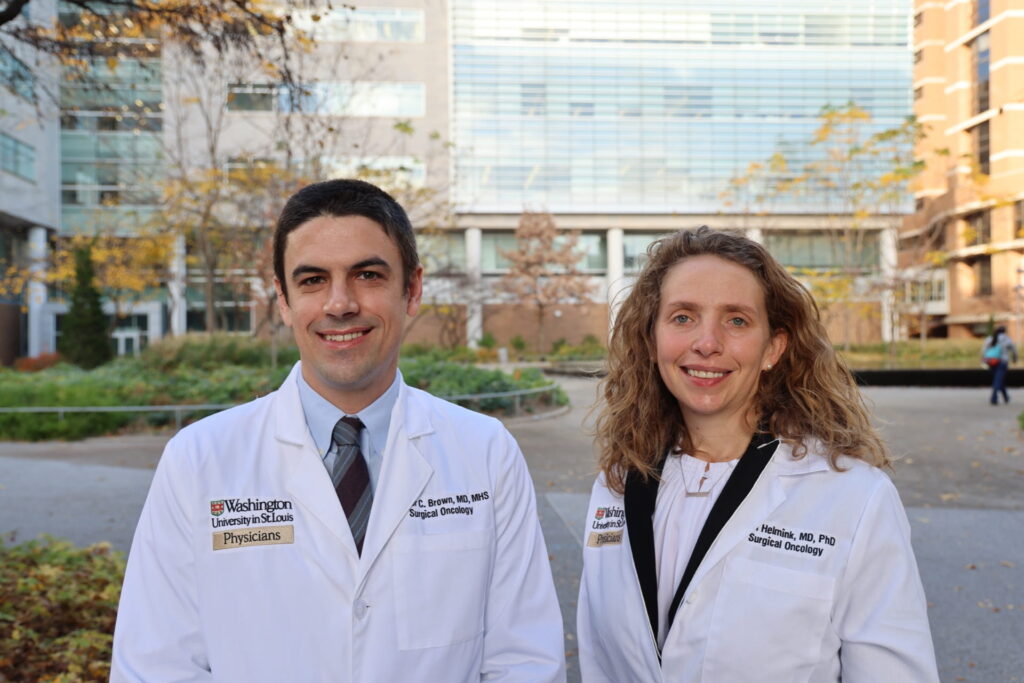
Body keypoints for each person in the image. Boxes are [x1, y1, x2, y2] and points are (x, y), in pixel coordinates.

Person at [112, 179, 565, 682]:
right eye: (312, 281)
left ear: (411, 290)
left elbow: (523, 658)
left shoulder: (485, 452)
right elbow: (156, 667)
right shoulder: (198, 460)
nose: (339, 303)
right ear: (282, 300)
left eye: (367, 275)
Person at [577, 227, 938, 682]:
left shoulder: (854, 499)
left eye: (736, 320)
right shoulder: (616, 485)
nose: (706, 343)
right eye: (683, 317)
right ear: (652, 339)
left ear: (773, 348)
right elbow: (599, 661)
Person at [982, 325, 1017, 405]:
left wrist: (984, 360)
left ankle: (1006, 397)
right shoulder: (1007, 339)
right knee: (998, 380)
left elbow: (984, 350)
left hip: (991, 362)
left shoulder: (989, 339)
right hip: (1002, 362)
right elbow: (1014, 350)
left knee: (999, 379)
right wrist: (1015, 359)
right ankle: (994, 397)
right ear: (1004, 331)